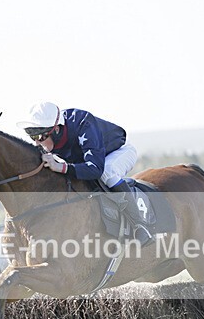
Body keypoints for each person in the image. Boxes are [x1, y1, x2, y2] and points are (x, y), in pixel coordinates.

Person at [17, 102, 152, 243]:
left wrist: (61, 167)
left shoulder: (83, 123)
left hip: (119, 152)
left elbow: (95, 169)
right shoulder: (51, 132)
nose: (37, 143)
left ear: (56, 130)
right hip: (91, 161)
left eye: (40, 137)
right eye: (33, 138)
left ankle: (139, 225)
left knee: (107, 172)